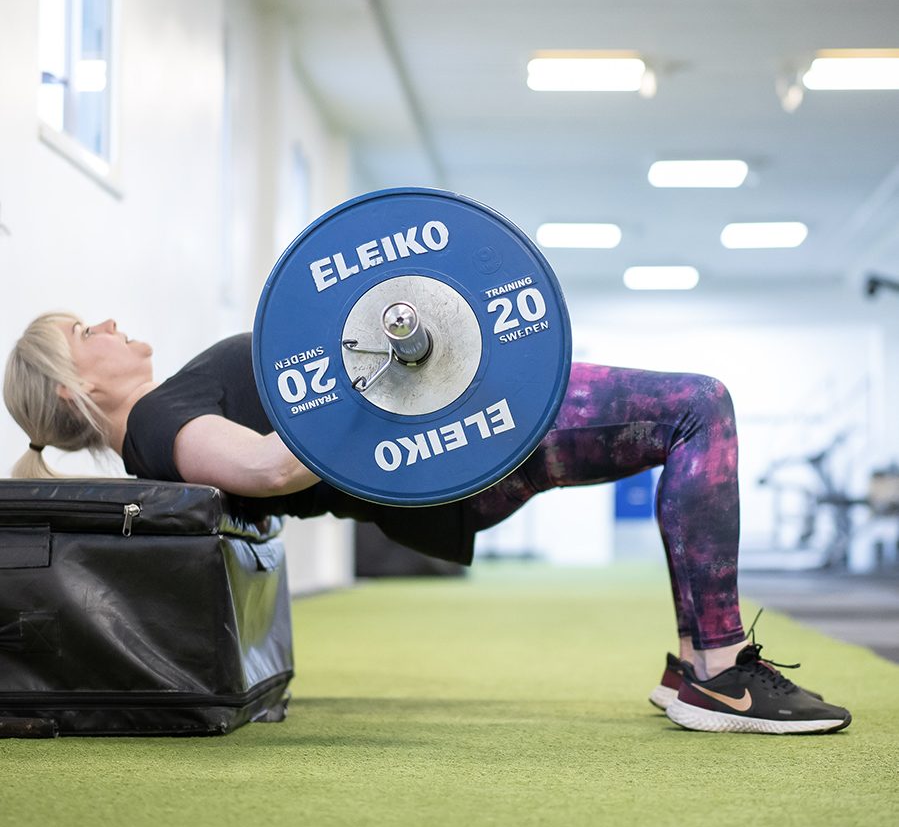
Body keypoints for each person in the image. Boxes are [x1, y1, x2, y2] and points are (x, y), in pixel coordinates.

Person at [4, 312, 852, 735]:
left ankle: (698, 669)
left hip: (453, 440)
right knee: (698, 407)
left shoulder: (163, 409)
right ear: (75, 389)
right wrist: (378, 379)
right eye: (87, 330)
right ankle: (716, 668)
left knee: (691, 412)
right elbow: (266, 466)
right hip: (454, 449)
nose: (110, 324)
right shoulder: (158, 428)